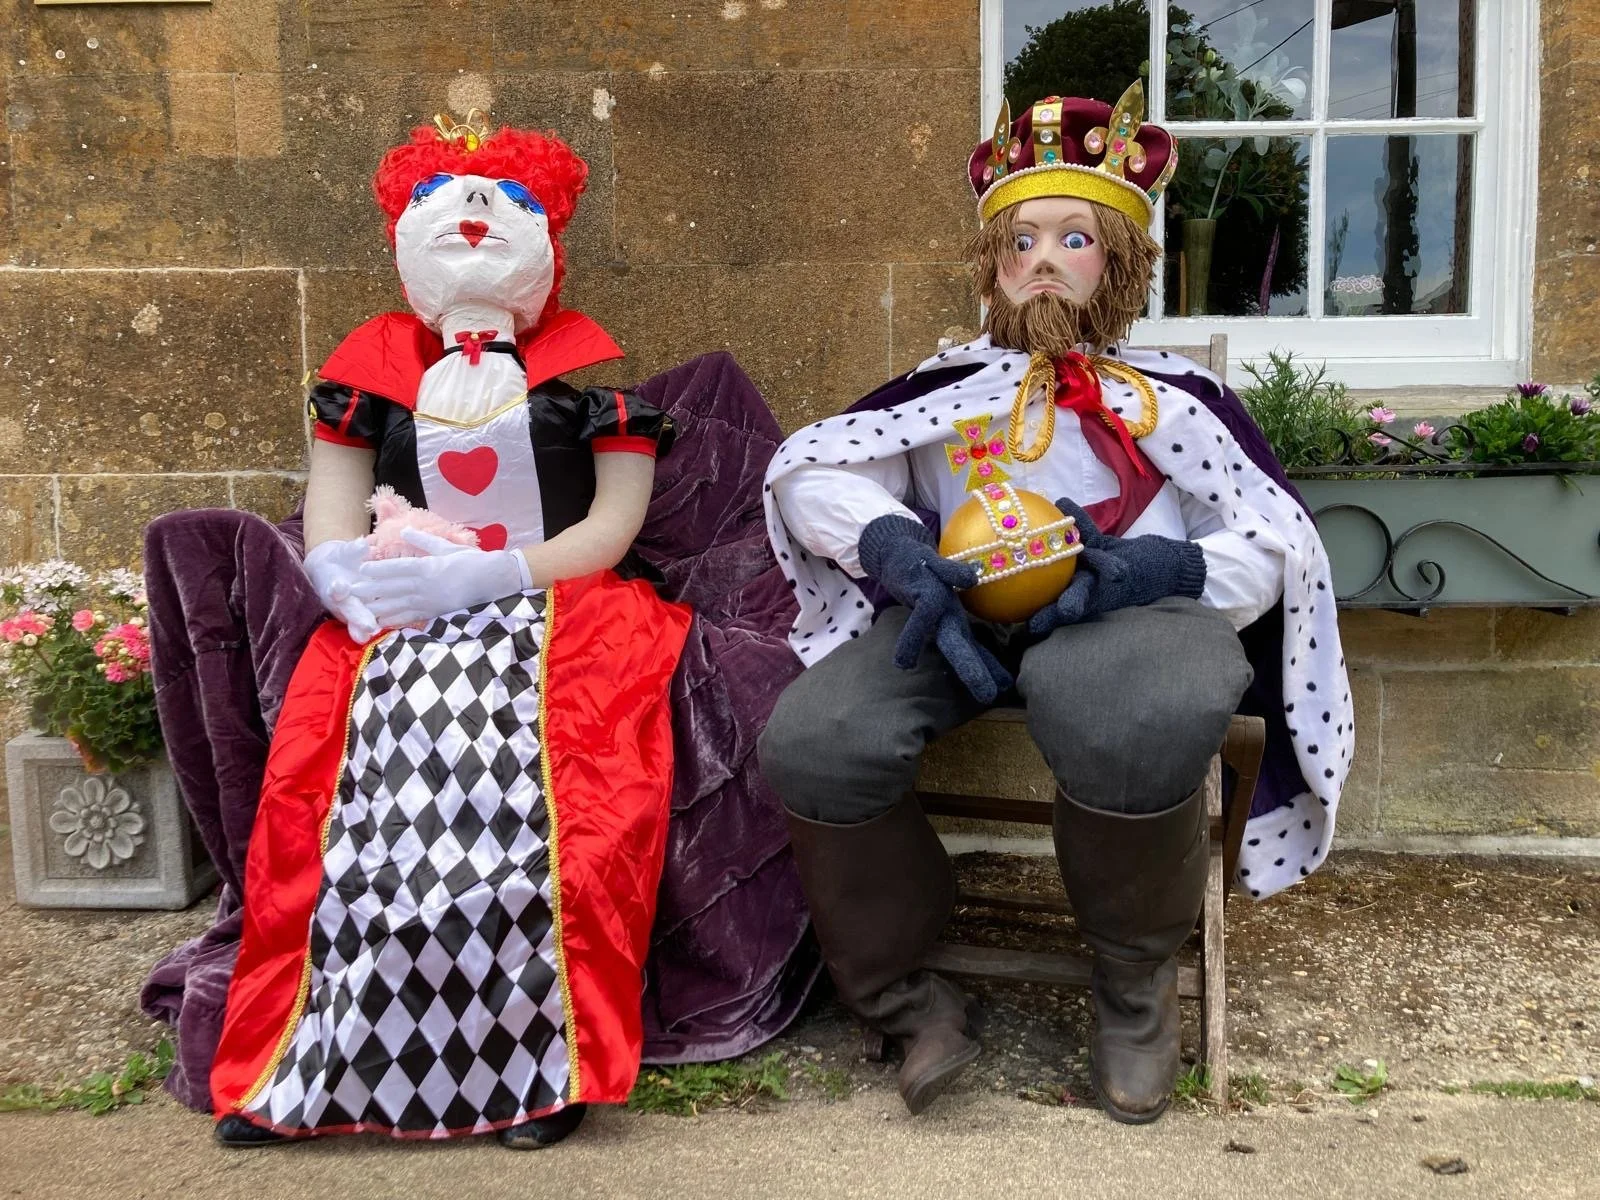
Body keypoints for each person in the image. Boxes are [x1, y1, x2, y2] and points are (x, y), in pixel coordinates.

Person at [757, 83, 1352, 1124]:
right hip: (957, 608)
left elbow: (1270, 544)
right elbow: (818, 473)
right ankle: (905, 994)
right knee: (818, 737)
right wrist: (894, 543)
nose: (1040, 258)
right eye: (1019, 239)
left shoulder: (1177, 401)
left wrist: (1156, 572)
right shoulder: (939, 388)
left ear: (1116, 263)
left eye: (1072, 238)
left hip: (1130, 616)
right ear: (990, 266)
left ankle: (1132, 989)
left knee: (1133, 717)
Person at [206, 112, 694, 1149]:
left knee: (537, 797)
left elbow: (610, 530)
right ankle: (322, 1061)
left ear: (543, 250)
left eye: (502, 212)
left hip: (558, 608)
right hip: (402, 608)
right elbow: (329, 515)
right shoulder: (360, 392)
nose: (473, 227)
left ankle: (531, 1065)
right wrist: (350, 582)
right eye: (448, 214)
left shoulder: (598, 399)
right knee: (359, 794)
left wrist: (494, 574)